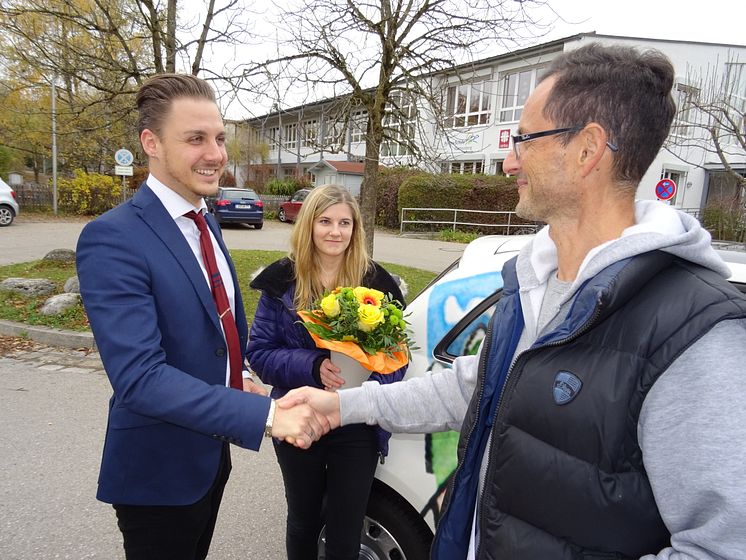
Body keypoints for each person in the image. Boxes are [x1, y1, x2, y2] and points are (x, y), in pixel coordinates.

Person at [278, 44, 746, 559]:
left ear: (587, 149)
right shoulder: (533, 286)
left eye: (524, 140)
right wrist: (343, 405)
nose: (508, 161)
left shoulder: (697, 334)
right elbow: (471, 391)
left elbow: (721, 546)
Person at [76, 73, 329, 560]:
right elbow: (140, 378)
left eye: (218, 138)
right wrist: (270, 415)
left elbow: (215, 329)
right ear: (151, 143)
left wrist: (242, 377)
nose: (215, 154)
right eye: (195, 139)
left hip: (210, 459)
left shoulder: (205, 218)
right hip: (157, 474)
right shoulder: (112, 238)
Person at [246, 184, 407, 560]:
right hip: (298, 418)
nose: (335, 231)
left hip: (356, 425)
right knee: (303, 519)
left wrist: (363, 397)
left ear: (355, 230)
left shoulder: (377, 285)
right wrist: (312, 365)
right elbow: (260, 353)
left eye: (344, 223)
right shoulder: (281, 283)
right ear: (309, 226)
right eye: (325, 221)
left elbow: (397, 360)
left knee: (345, 525)